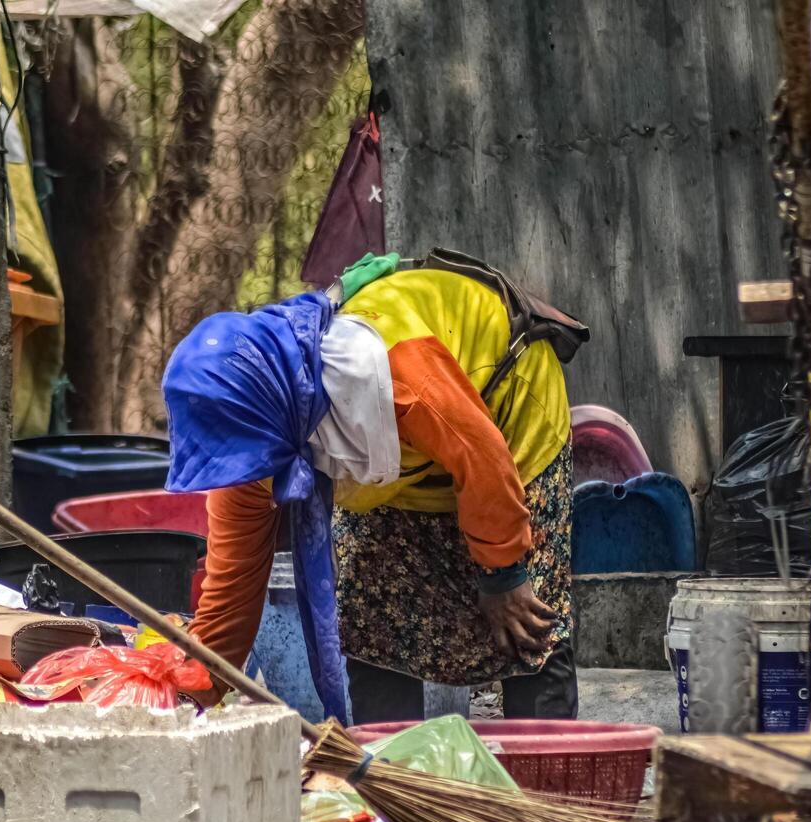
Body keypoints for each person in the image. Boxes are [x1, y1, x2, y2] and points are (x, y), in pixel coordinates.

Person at [163, 254, 582, 724]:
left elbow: (482, 456)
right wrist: (181, 702)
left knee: (525, 623)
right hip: (406, 465)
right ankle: (387, 773)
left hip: (504, 408)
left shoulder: (394, 370)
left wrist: (503, 575)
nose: (248, 474)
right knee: (371, 617)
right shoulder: (248, 447)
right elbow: (231, 599)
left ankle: (544, 778)